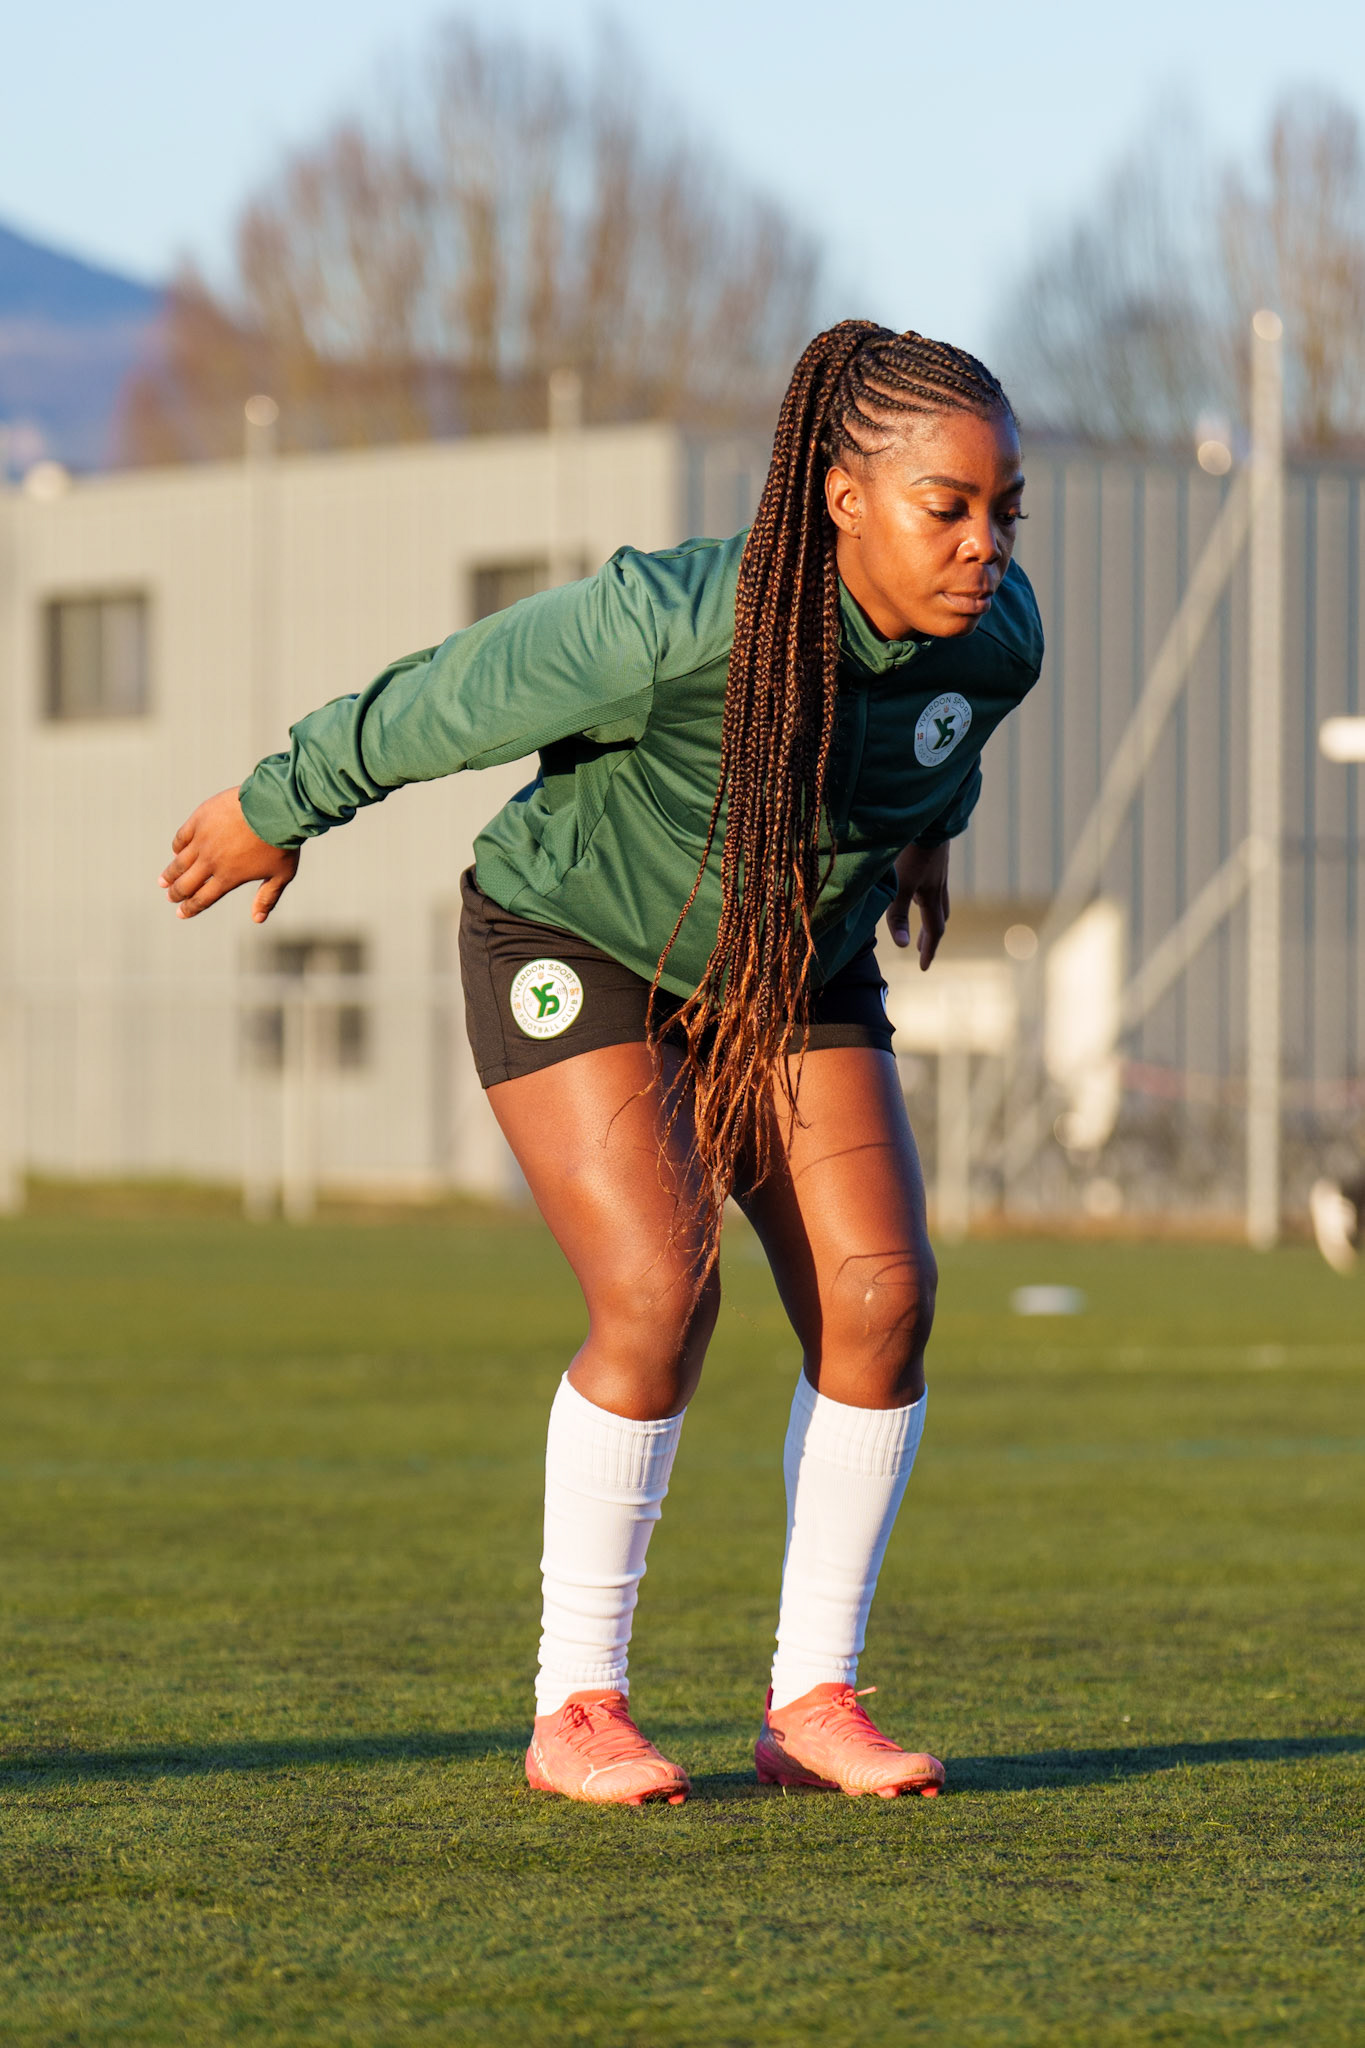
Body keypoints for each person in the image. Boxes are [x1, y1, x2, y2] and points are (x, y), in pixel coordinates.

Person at [160, 321, 1043, 1806]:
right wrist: (279, 800)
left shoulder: (1000, 634)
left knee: (884, 1297)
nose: (983, 544)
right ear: (841, 498)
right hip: (577, 936)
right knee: (657, 1288)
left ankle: (811, 1701)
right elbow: (451, 696)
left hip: (787, 972)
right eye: (944, 507)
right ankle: (577, 1705)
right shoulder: (675, 623)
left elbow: (928, 749)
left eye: (1004, 509)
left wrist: (920, 848)